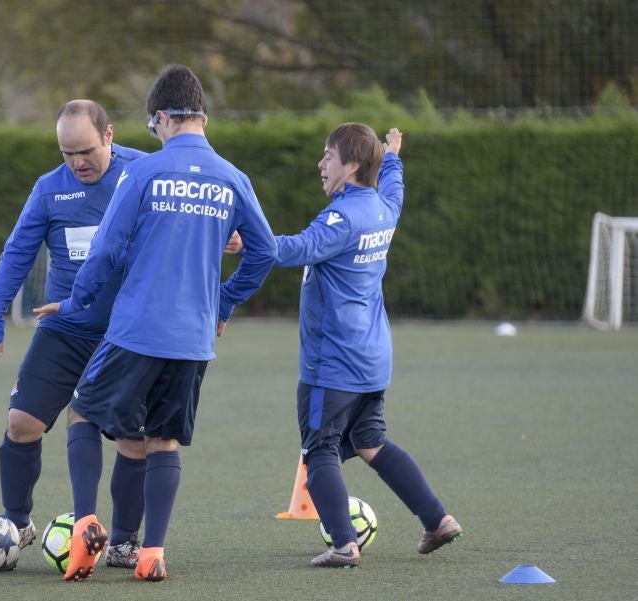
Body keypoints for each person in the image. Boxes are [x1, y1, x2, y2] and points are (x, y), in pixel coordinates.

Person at [34, 64, 278, 582]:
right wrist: (224, 302)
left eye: (154, 126)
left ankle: (86, 526)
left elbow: (105, 250)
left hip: (136, 330)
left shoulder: (141, 173)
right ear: (204, 119)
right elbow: (266, 251)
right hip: (192, 339)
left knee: (82, 414)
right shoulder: (233, 178)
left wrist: (77, 302)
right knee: (162, 440)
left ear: (162, 118)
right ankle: (152, 553)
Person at [269, 123, 462, 567]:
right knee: (372, 442)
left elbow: (296, 249)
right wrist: (392, 155)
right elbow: (394, 185)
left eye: (327, 156)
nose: (320, 165)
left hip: (332, 363)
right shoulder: (381, 207)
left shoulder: (342, 216)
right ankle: (437, 520)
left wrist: (249, 244)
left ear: (351, 165)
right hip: (372, 358)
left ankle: (343, 544)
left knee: (318, 451)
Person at [0, 99, 149, 569]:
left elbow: (188, 226)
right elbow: (16, 255)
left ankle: (127, 539)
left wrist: (230, 237)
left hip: (128, 336)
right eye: (67, 153)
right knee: (21, 423)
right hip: (66, 329)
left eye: (86, 150)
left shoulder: (146, 173)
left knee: (134, 441)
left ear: (109, 135)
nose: (78, 163)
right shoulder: (50, 189)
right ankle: (16, 524)